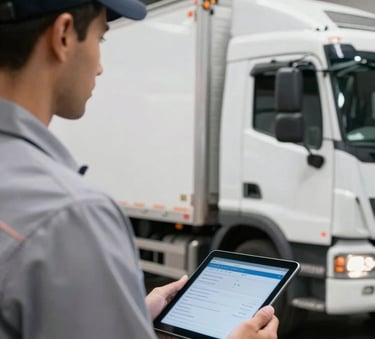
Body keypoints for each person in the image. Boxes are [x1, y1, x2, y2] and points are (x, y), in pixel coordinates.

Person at [0, 0, 279, 338]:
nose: (100, 67)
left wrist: (130, 318)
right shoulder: (70, 215)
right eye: (100, 39)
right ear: (62, 36)